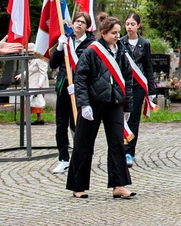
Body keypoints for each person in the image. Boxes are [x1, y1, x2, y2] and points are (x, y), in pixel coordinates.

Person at [66, 15, 136, 199]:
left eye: (118, 33)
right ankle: (78, 185)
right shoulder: (91, 51)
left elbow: (127, 80)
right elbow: (80, 79)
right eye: (113, 33)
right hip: (93, 102)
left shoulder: (121, 51)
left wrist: (127, 106)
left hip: (114, 102)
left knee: (116, 143)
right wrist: (84, 104)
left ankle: (119, 184)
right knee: (83, 143)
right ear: (103, 33)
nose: (117, 36)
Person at [48, 11, 94, 174]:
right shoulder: (66, 41)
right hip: (63, 89)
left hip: (81, 91)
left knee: (78, 125)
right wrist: (59, 48)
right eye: (77, 21)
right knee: (61, 125)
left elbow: (92, 68)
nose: (79, 24)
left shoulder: (91, 44)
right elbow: (53, 64)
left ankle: (80, 155)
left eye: (82, 22)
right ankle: (63, 158)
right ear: (72, 24)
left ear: (87, 26)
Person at [121, 13, 156, 167]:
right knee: (121, 118)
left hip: (138, 86)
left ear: (138, 25)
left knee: (134, 118)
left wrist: (152, 89)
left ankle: (129, 152)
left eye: (132, 24)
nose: (129, 27)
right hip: (123, 85)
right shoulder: (120, 42)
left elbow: (148, 67)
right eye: (127, 23)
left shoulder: (145, 43)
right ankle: (120, 149)